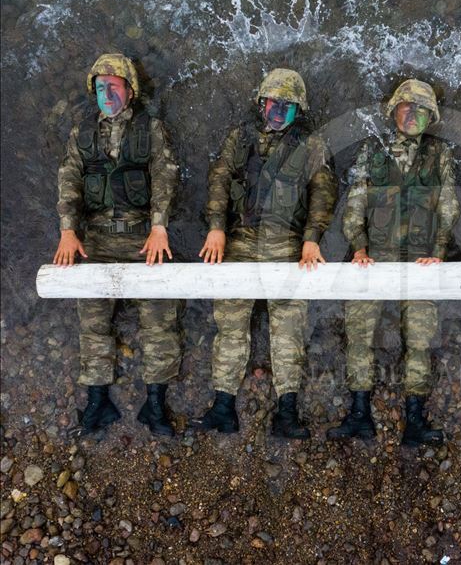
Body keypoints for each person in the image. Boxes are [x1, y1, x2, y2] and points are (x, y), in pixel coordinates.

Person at [191, 68, 337, 438]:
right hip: (241, 240)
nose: (278, 110)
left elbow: (323, 193)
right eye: (273, 103)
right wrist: (216, 228)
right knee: (230, 322)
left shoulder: (312, 146)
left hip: (287, 243)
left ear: (298, 110)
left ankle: (286, 412)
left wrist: (312, 238)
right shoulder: (240, 138)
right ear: (261, 103)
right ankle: (223, 406)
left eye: (287, 105)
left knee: (288, 327)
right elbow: (219, 179)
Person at [53, 53, 180, 436]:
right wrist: (68, 231)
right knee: (93, 323)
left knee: (159, 320)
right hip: (95, 240)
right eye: (100, 88)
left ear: (130, 90)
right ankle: (98, 401)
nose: (107, 95)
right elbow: (69, 180)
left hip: (143, 237)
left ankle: (155, 403)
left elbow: (164, 176)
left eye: (114, 87)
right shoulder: (82, 133)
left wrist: (159, 227)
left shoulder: (150, 129)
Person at [327, 79, 460, 446]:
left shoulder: (439, 153)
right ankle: (359, 414)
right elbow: (355, 202)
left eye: (421, 110)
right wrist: (358, 246)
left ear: (431, 117)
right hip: (375, 255)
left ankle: (415, 419)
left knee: (419, 339)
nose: (412, 115)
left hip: (421, 257)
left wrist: (439, 250)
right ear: (394, 110)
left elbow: (449, 204)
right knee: (359, 333)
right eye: (406, 107)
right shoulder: (373, 149)